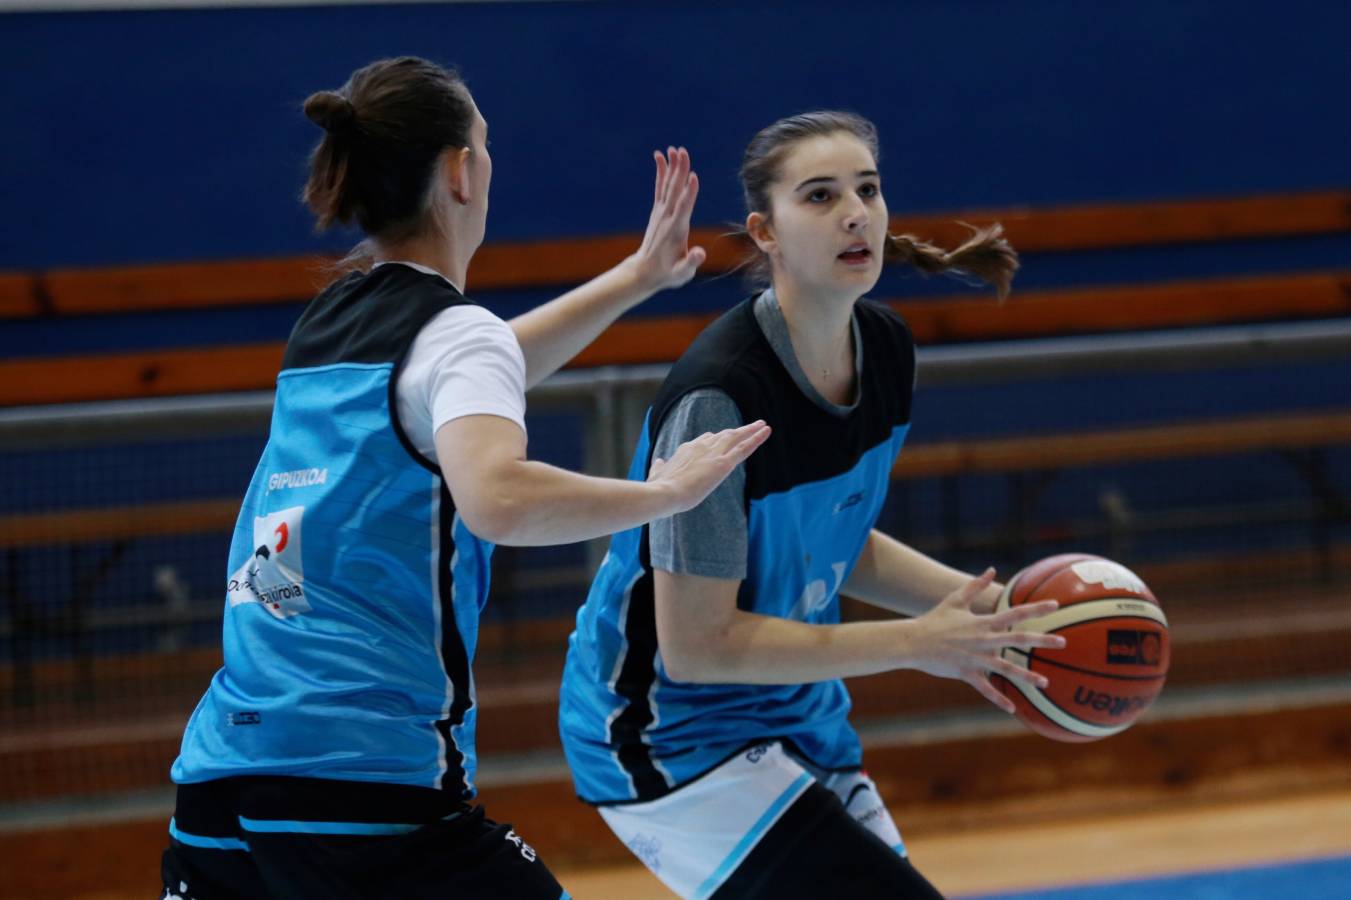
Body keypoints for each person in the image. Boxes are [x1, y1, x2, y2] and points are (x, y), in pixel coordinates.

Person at [160, 56, 769, 900]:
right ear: (460, 171)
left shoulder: (332, 321)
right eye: (484, 143)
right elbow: (499, 497)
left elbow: (476, 376)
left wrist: (635, 279)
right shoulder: (453, 334)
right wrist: (665, 493)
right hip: (363, 779)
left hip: (226, 772)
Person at [558, 110, 1067, 899]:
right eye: (821, 196)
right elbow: (698, 645)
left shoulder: (887, 350)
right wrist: (917, 643)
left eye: (867, 189)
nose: (856, 212)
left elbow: (837, 541)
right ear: (765, 231)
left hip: (795, 714)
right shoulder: (722, 396)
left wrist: (1000, 616)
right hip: (667, 732)